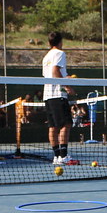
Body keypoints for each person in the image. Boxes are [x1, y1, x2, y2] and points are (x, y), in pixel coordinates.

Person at [42, 31, 76, 164]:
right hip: (57, 94)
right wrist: (67, 86)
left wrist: (66, 78)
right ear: (60, 42)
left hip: (47, 95)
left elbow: (50, 74)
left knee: (53, 127)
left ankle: (56, 156)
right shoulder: (60, 53)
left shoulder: (46, 57)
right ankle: (63, 155)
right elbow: (55, 71)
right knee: (66, 124)